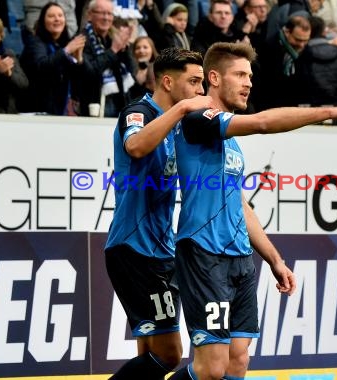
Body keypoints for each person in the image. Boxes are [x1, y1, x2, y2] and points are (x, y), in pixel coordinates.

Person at [168, 42, 337, 380]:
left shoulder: (230, 143)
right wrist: (332, 111)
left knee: (238, 362)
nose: (248, 82)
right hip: (204, 252)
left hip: (239, 257)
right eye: (240, 74)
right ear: (214, 78)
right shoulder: (196, 119)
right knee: (211, 367)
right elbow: (264, 123)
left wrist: (274, 259)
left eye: (250, 75)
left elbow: (240, 205)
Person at [103, 47, 216, 380]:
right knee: (170, 354)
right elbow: (135, 146)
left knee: (150, 354)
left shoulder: (182, 127)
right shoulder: (138, 112)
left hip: (162, 250)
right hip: (134, 247)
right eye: (194, 82)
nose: (200, 90)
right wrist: (181, 109)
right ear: (167, 81)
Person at [19, 2, 86, 115]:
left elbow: (79, 80)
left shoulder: (62, 46)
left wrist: (78, 59)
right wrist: (67, 51)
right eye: (51, 16)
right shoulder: (35, 43)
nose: (57, 19)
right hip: (36, 111)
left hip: (58, 111)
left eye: (60, 15)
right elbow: (41, 66)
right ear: (42, 21)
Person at [75, 0, 134, 117]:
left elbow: (131, 70)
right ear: (90, 15)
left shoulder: (114, 36)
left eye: (109, 13)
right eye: (101, 13)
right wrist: (113, 50)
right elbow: (90, 72)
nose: (106, 18)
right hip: (94, 103)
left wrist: (124, 49)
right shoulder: (81, 39)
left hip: (120, 98)